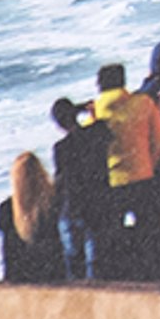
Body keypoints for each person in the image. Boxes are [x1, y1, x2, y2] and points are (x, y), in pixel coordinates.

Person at [89, 59, 160, 279]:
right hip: (143, 176)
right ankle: (153, 273)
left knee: (112, 235)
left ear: (100, 85)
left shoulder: (96, 111)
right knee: (149, 232)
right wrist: (149, 162)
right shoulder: (143, 103)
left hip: (112, 183)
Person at [45, 93, 115, 283]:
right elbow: (103, 129)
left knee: (73, 258)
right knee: (95, 261)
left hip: (73, 204)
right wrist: (89, 111)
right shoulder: (98, 132)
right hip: (98, 201)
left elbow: (61, 180)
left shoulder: (61, 148)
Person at [0, 151, 65, 285]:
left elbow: (9, 253)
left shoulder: (7, 209)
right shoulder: (56, 203)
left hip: (21, 280)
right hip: (56, 277)